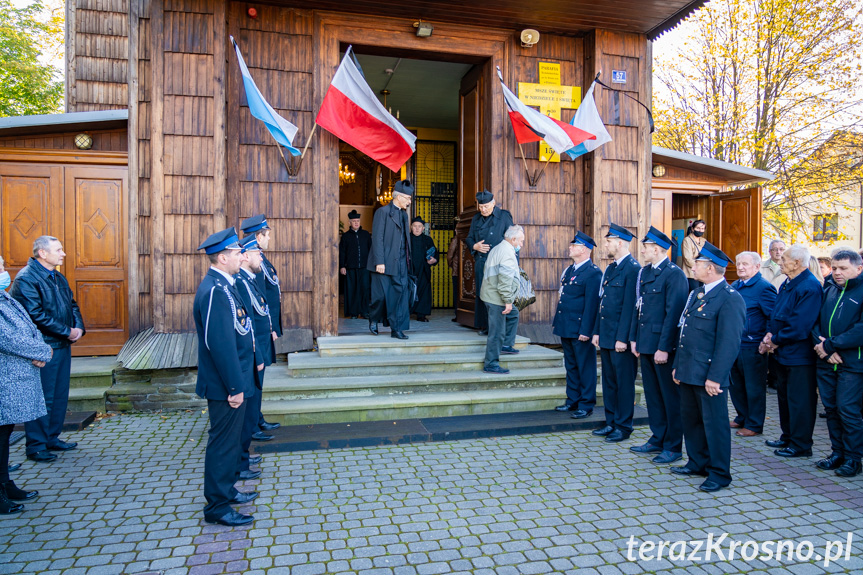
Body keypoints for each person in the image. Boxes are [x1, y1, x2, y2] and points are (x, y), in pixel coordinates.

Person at [193, 227, 259, 527]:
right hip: (225, 385)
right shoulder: (215, 291)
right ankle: (217, 507)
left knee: (230, 443)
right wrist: (235, 386)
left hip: (236, 380)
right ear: (222, 258)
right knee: (222, 444)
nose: (241, 256)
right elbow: (219, 344)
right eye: (236, 253)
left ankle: (227, 490)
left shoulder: (225, 285)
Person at [670, 242, 745, 492]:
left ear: (711, 268)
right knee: (691, 420)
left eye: (699, 263)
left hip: (709, 375)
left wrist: (716, 377)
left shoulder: (729, 298)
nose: (693, 266)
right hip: (689, 371)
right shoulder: (698, 293)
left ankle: (719, 473)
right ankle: (697, 462)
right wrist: (678, 367)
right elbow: (685, 334)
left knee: (715, 425)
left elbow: (729, 343)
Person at [10, 236, 85, 463]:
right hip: (43, 348)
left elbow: (72, 304)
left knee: (59, 395)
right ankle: (36, 446)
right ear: (42, 253)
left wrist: (78, 328)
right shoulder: (26, 279)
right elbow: (35, 315)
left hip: (61, 345)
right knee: (43, 397)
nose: (63, 254)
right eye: (59, 250)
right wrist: (67, 331)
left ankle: (52, 438)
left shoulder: (58, 277)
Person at [628, 227, 688, 464]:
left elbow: (674, 315)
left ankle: (673, 446)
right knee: (653, 396)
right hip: (646, 343)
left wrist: (664, 348)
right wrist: (635, 338)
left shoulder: (674, 275)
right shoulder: (645, 272)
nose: (642, 250)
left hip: (662, 347)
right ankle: (658, 437)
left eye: (645, 247)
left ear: (657, 249)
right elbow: (639, 307)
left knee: (669, 397)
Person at [761, 244, 822, 458]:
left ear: (797, 263)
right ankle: (788, 437)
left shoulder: (809, 286)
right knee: (785, 398)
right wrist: (770, 335)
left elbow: (800, 325)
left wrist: (775, 340)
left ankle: (801, 445)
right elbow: (776, 313)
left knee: (800, 401)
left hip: (799, 356)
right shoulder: (788, 283)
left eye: (785, 259)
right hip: (784, 353)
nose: (780, 261)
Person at [0, 288, 53, 514]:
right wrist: (42, 351)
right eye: (0, 267)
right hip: (5, 375)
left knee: (5, 432)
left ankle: (5, 483)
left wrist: (41, 348)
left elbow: (31, 329)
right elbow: (6, 338)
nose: (3, 272)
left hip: (15, 375)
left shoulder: (6, 297)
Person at [812, 249, 863, 477]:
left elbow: (860, 330)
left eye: (843, 268)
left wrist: (830, 345)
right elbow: (813, 321)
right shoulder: (828, 287)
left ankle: (853, 459)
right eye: (834, 268)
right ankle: (837, 453)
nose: (837, 272)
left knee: (847, 410)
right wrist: (823, 348)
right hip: (827, 361)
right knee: (831, 409)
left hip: (852, 363)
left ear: (858, 269)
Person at [591, 223, 641, 443]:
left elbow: (631, 308)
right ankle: (611, 422)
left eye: (609, 241)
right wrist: (597, 332)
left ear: (620, 243)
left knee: (623, 384)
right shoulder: (611, 268)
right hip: (607, 335)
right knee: (609, 382)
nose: (606, 244)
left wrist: (623, 338)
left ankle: (623, 426)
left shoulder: (633, 269)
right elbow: (603, 303)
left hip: (620, 338)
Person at [235, 234, 276, 476]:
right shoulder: (241, 281)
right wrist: (257, 354)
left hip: (257, 345)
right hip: (252, 350)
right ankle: (242, 459)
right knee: (248, 404)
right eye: (257, 253)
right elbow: (247, 322)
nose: (261, 256)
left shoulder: (248, 279)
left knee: (254, 399)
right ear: (246, 255)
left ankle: (245, 453)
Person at [552, 231, 601, 418]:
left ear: (584, 250)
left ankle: (586, 403)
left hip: (581, 329)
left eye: (574, 245)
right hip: (567, 325)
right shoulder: (570, 270)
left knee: (585, 366)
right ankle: (572, 400)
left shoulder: (593, 273)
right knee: (571, 365)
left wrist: (587, 330)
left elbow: (592, 305)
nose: (570, 247)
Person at [240, 214, 281, 433]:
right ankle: (252, 424)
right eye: (267, 235)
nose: (269, 239)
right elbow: (259, 298)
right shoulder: (252, 263)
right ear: (257, 237)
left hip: (265, 328)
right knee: (257, 376)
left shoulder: (261, 259)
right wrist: (271, 327)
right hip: (259, 329)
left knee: (260, 377)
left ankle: (257, 417)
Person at [729, 252, 777, 438]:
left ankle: (755, 424)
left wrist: (767, 340)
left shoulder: (764, 288)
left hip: (753, 346)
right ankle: (742, 417)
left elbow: (772, 316)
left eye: (745, 264)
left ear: (757, 267)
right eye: (739, 263)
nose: (740, 267)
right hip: (735, 344)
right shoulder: (735, 285)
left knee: (754, 387)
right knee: (736, 385)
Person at [368, 180, 413, 339]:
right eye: (408, 198)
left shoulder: (403, 214)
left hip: (400, 262)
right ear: (398, 197)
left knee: (399, 296)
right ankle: (373, 318)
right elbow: (377, 238)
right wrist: (379, 261)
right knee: (380, 297)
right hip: (383, 262)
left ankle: (397, 329)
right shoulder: (382, 212)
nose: (409, 201)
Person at [466, 190, 514, 335]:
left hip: (499, 263)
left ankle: (498, 328)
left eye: (486, 206)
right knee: (483, 294)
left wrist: (512, 263)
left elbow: (511, 239)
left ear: (493, 203)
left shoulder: (504, 216)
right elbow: (469, 238)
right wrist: (474, 246)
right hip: (482, 262)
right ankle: (485, 326)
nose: (483, 209)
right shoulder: (476, 218)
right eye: (481, 207)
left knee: (498, 294)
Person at [479, 225, 524, 374]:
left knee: (513, 314)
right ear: (513, 239)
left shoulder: (499, 248)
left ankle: (506, 345)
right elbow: (505, 280)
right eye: (521, 241)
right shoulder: (507, 253)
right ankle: (491, 363)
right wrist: (508, 300)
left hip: (491, 294)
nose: (522, 245)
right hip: (497, 297)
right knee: (497, 332)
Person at [338, 210, 372, 319]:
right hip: (351, 268)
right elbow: (342, 252)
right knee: (352, 290)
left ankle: (364, 312)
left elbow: (371, 250)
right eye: (354, 221)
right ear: (349, 223)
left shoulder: (366, 234)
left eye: (358, 221)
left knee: (365, 289)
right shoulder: (345, 236)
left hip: (364, 267)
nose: (356, 223)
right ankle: (353, 313)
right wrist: (342, 266)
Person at [409, 216, 438, 322]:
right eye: (415, 226)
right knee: (408, 292)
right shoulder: (406, 238)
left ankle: (421, 315)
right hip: (409, 271)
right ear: (411, 227)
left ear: (423, 228)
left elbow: (435, 254)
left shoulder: (428, 240)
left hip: (423, 271)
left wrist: (434, 260)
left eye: (419, 226)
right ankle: (406, 312)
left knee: (423, 293)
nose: (417, 228)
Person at [680, 219, 706, 292]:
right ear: (692, 228)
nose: (700, 230)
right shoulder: (687, 240)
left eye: (702, 229)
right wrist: (699, 267)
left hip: (702, 274)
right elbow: (687, 259)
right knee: (694, 295)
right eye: (698, 228)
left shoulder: (704, 241)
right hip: (691, 274)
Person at [446, 226, 460, 322]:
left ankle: (458, 314)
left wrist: (451, 265)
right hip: (468, 271)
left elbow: (450, 254)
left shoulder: (456, 239)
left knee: (456, 293)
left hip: (456, 270)